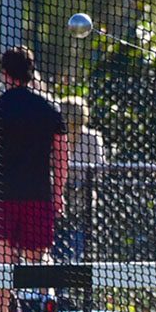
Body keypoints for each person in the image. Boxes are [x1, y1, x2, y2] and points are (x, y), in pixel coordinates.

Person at [0, 46, 68, 312]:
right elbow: (61, 156)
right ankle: (47, 295)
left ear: (4, 74)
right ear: (30, 71)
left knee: (0, 258)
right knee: (39, 253)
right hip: (38, 192)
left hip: (0, 194)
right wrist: (58, 193)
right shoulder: (49, 109)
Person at [55, 95, 105, 265]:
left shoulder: (92, 138)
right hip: (57, 198)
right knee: (56, 246)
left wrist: (79, 183)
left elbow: (98, 168)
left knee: (77, 247)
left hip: (82, 202)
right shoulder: (55, 136)